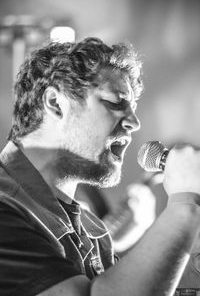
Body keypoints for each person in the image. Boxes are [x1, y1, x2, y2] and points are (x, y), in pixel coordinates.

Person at [0, 37, 200, 296]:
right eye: (116, 103)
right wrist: (184, 205)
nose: (134, 122)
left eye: (132, 108)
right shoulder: (5, 206)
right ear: (55, 103)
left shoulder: (92, 228)